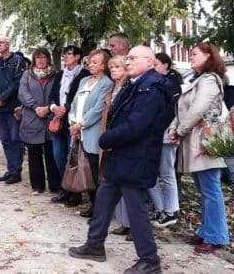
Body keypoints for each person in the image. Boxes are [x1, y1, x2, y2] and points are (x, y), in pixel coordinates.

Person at [68, 46, 176, 274]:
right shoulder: (136, 83)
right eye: (127, 58)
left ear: (149, 61)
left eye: (133, 58)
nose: (128, 61)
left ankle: (149, 260)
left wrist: (106, 138)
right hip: (122, 155)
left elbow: (137, 124)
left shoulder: (152, 88)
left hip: (136, 157)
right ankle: (95, 245)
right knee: (104, 201)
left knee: (136, 209)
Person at [170, 42, 229, 253]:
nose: (190, 56)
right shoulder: (197, 79)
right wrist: (174, 127)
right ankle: (207, 230)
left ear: (208, 56)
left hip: (205, 140)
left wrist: (179, 130)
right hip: (194, 138)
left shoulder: (210, 80)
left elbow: (197, 109)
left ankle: (216, 235)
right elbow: (183, 109)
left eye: (194, 54)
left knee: (211, 189)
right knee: (205, 189)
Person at [68, 49, 113, 219]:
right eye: (89, 61)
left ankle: (99, 211)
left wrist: (80, 125)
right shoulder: (84, 80)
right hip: (77, 131)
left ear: (103, 65)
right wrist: (73, 122)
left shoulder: (106, 83)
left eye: (95, 62)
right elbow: (74, 103)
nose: (90, 65)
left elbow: (98, 109)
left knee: (95, 172)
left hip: (92, 132)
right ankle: (93, 205)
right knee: (84, 171)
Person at [49, 45, 90, 206]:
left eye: (70, 54)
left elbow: (78, 97)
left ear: (78, 57)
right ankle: (64, 188)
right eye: (65, 54)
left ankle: (75, 192)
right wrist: (54, 108)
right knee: (58, 155)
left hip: (74, 121)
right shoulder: (60, 74)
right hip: (58, 120)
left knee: (73, 157)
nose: (66, 56)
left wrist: (66, 108)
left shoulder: (84, 74)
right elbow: (52, 95)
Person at [18, 47, 61, 194]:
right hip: (32, 118)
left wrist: (48, 108)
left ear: (48, 59)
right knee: (34, 154)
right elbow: (23, 94)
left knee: (51, 154)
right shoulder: (27, 75)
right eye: (38, 58)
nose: (41, 60)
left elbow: (58, 94)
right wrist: (36, 107)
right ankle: (37, 185)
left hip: (50, 117)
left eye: (43, 57)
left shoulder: (55, 75)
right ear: (34, 60)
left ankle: (55, 185)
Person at [148, 53, 182, 227]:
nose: (152, 67)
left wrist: (169, 128)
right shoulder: (155, 83)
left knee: (167, 172)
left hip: (166, 133)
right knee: (150, 173)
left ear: (166, 65)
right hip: (154, 133)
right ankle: (161, 208)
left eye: (156, 64)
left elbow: (172, 110)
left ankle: (171, 210)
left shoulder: (171, 84)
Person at [0, 37, 26, 184]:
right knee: (5, 140)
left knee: (16, 139)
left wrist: (3, 97)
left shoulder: (17, 61)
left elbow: (17, 83)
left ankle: (17, 171)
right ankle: (10, 169)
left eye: (1, 43)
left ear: (8, 45)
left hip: (12, 107)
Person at [101, 55, 132, 240]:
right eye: (111, 67)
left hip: (123, 141)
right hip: (110, 138)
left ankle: (133, 225)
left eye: (117, 67)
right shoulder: (113, 88)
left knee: (129, 187)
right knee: (115, 183)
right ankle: (124, 222)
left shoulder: (129, 88)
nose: (113, 70)